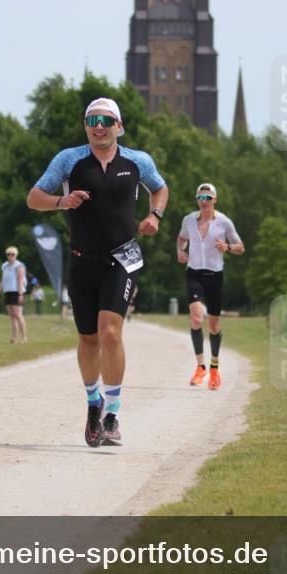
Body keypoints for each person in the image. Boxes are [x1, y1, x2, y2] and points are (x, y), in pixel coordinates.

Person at [27, 96, 168, 448]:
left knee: (110, 333)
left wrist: (155, 216)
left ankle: (113, 413)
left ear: (119, 125)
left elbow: (160, 188)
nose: (99, 127)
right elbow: (33, 197)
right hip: (82, 259)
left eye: (106, 120)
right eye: (92, 122)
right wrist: (61, 201)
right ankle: (94, 403)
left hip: (123, 257)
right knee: (88, 339)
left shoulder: (137, 161)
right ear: (85, 128)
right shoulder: (69, 160)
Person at [176, 182, 244, 390]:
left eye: (208, 198)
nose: (203, 201)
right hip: (194, 274)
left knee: (213, 325)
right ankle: (200, 367)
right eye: (200, 198)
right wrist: (180, 251)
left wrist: (228, 247)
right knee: (196, 318)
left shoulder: (224, 222)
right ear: (197, 200)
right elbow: (181, 239)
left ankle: (214, 368)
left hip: (215, 276)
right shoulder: (189, 220)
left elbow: (240, 247)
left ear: (215, 200)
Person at [0, 246, 28, 344]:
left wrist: (20, 294)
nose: (10, 256)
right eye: (8, 254)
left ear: (16, 255)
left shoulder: (19, 265)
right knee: (12, 316)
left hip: (16, 291)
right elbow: (2, 280)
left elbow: (21, 280)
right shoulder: (5, 265)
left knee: (18, 315)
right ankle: (14, 337)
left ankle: (24, 337)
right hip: (8, 291)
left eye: (12, 254)